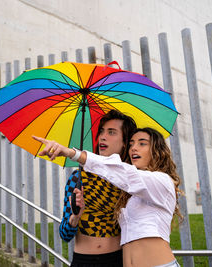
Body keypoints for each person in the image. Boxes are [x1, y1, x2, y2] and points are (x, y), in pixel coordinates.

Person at [33, 127, 182, 267]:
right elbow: (65, 233)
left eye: (142, 143)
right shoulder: (130, 193)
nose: (134, 148)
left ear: (157, 150)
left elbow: (122, 172)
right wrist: (75, 217)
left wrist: (73, 153)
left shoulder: (162, 181)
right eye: (132, 144)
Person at [56, 110, 137, 267]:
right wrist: (75, 217)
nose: (103, 136)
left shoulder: (130, 180)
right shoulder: (77, 178)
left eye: (111, 132)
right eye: (101, 131)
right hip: (83, 261)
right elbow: (64, 235)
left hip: (118, 260)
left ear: (125, 142)